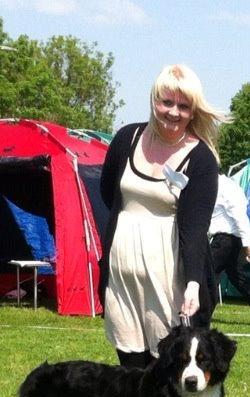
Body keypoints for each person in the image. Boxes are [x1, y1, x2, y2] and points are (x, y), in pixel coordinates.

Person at [100, 64, 226, 368]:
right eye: (166, 102)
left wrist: (193, 284)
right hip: (122, 278)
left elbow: (196, 230)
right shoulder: (126, 139)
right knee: (130, 373)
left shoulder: (201, 159)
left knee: (168, 371)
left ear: (194, 110)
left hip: (169, 279)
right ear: (153, 100)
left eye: (183, 106)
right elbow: (108, 194)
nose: (173, 112)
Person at [209, 174, 250, 326]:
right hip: (231, 240)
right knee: (236, 276)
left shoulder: (225, 186)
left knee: (208, 276)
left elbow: (240, 216)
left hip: (225, 240)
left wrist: (247, 244)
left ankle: (202, 316)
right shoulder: (224, 184)